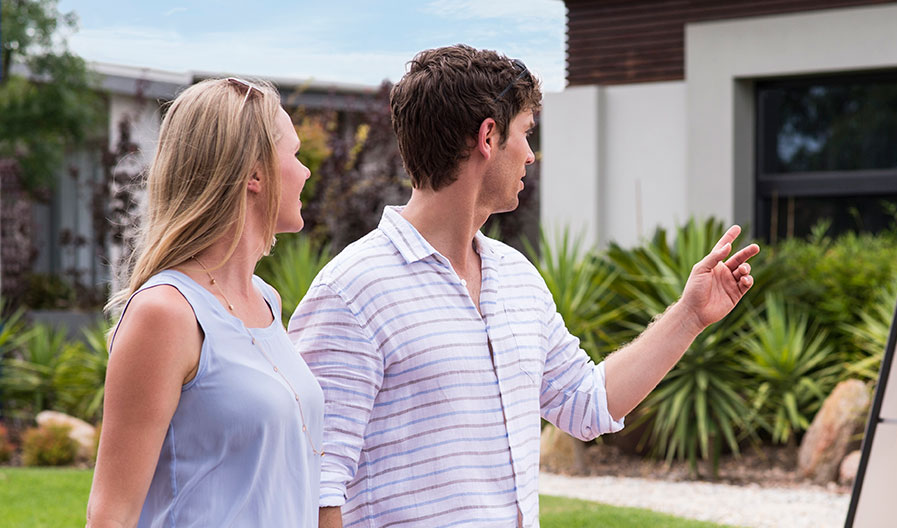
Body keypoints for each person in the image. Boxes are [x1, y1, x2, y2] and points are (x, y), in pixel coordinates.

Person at [290, 44, 759, 528]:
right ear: (488, 137)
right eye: (526, 133)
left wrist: (688, 316)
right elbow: (316, 485)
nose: (531, 155)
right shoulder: (350, 293)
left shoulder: (516, 277)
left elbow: (587, 403)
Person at [86, 77, 322, 528]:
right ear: (255, 174)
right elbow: (110, 515)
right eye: (293, 155)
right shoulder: (166, 313)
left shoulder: (266, 301)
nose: (306, 171)